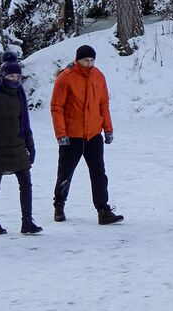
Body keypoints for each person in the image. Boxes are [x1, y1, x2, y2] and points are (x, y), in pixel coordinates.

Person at [50, 44, 123, 224]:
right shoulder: (65, 78)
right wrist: (61, 134)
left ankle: (103, 210)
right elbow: (56, 107)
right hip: (71, 137)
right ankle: (59, 205)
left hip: (93, 136)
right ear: (77, 60)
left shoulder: (98, 76)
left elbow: (103, 104)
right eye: (85, 60)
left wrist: (108, 129)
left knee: (99, 173)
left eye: (91, 60)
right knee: (65, 173)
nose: (89, 63)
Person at [0, 59, 41, 235]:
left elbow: (25, 123)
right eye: (11, 75)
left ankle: (27, 221)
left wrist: (30, 146)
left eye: (17, 76)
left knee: (26, 183)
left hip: (17, 145)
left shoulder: (20, 94)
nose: (14, 79)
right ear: (3, 76)